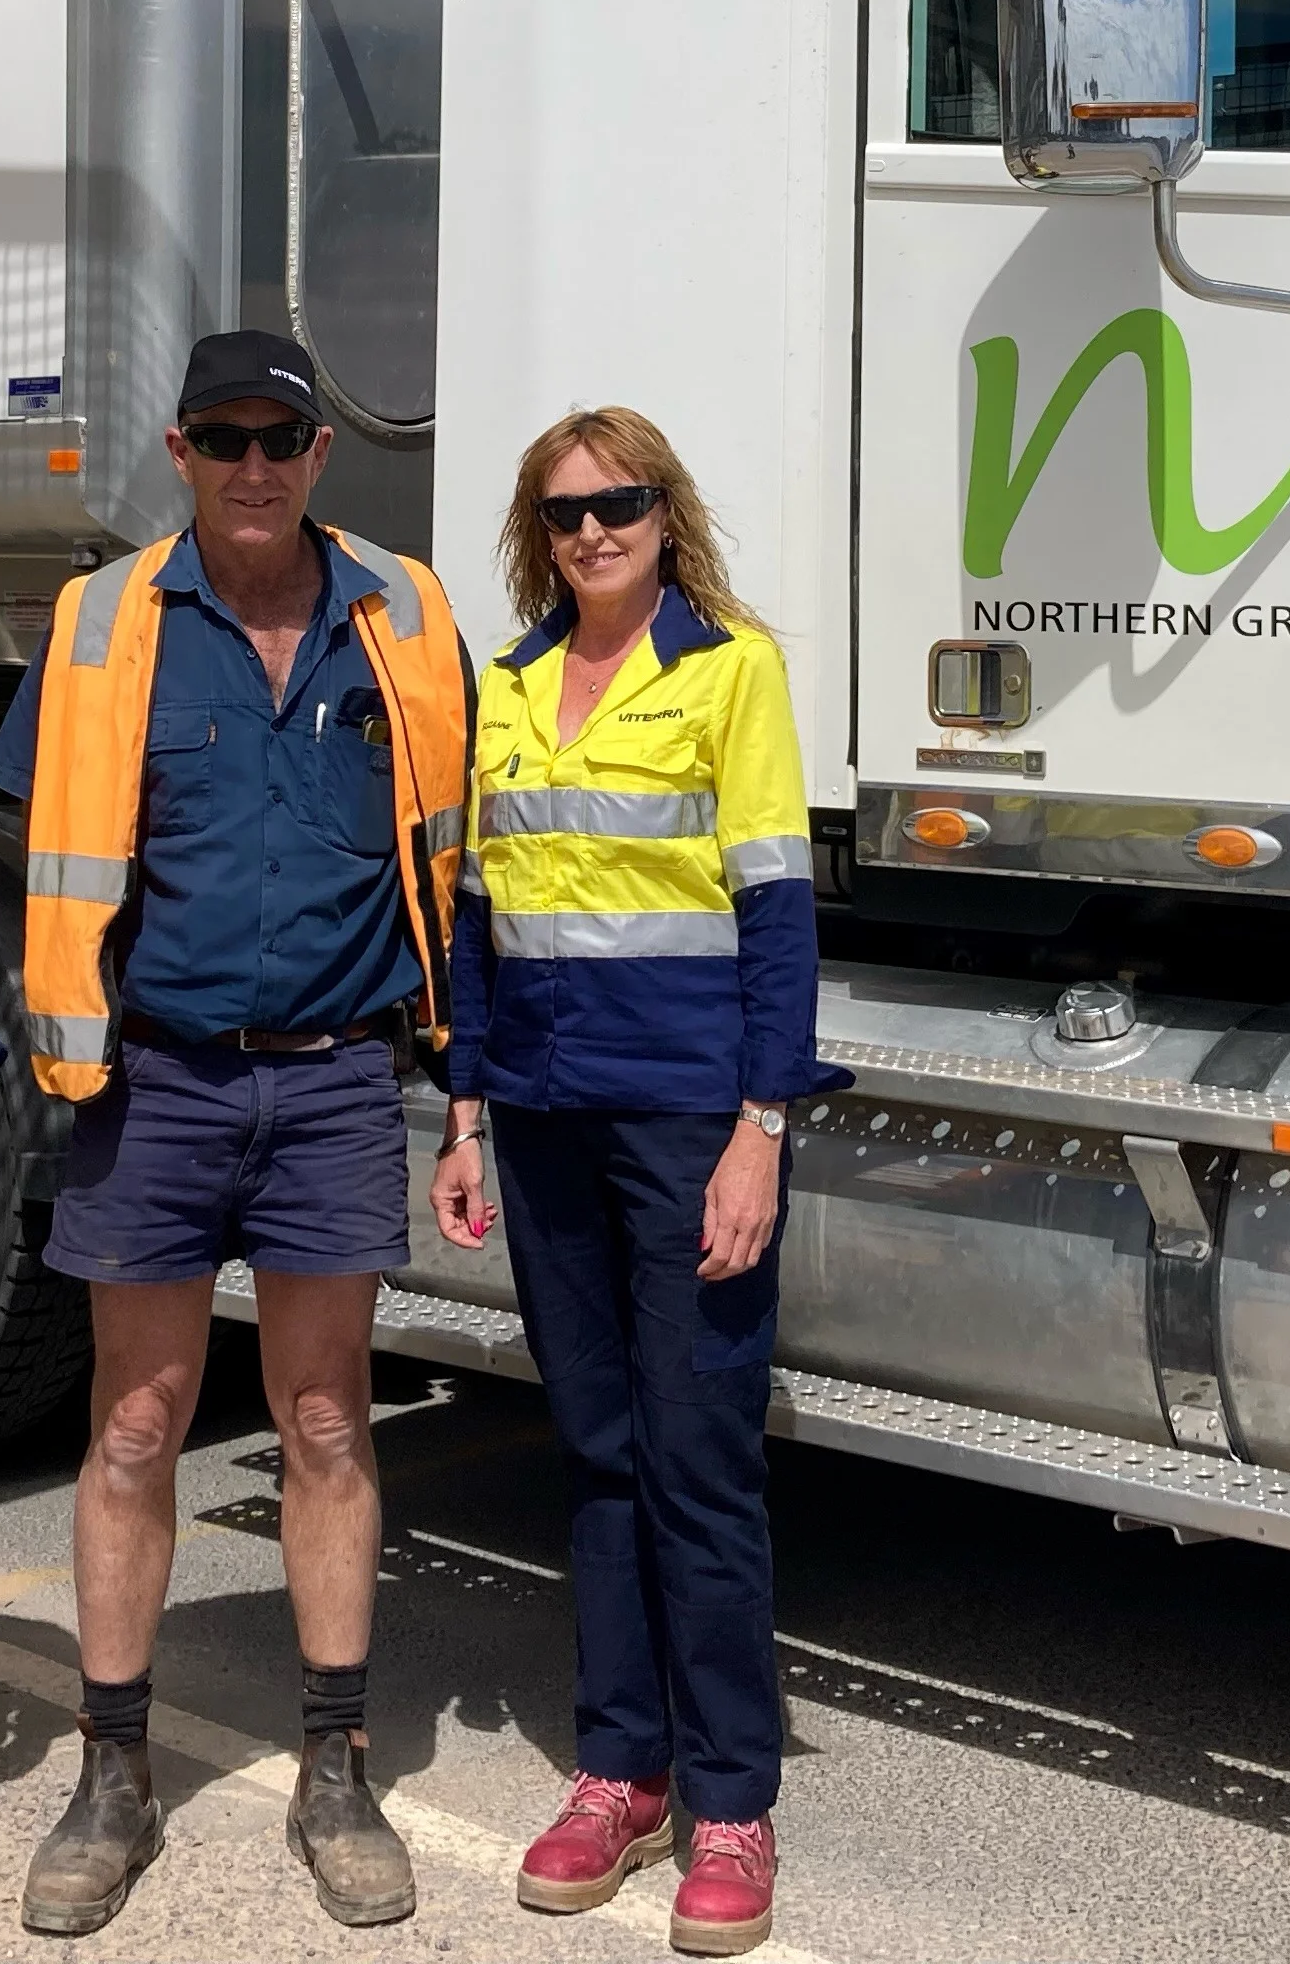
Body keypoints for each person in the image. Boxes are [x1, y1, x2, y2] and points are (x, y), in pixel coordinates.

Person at [0, 328, 474, 1937]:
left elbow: (456, 853)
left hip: (336, 1079)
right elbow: (42, 833)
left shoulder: (400, 615)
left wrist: (458, 1077)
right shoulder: (104, 622)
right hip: (160, 1082)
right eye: (225, 438)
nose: (255, 465)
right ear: (181, 452)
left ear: (321, 456)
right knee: (136, 1428)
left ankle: (336, 1766)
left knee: (328, 1422)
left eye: (283, 439)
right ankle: (111, 1775)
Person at [428, 406, 838, 1961]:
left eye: (622, 502)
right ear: (541, 535)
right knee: (596, 1452)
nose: (594, 530)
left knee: (699, 1461)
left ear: (668, 515)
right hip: (539, 1117)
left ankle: (733, 1798)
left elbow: (779, 915)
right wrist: (462, 1106)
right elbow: (477, 904)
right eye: (567, 511)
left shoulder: (729, 670)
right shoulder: (513, 683)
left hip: (686, 1126)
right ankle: (623, 1771)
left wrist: (761, 1128)